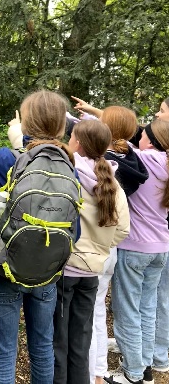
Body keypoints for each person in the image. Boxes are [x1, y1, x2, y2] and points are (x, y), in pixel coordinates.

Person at [0, 89, 74, 384]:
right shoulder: (68, 164)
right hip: (49, 270)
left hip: (5, 268)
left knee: (3, 353)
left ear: (25, 125)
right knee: (42, 347)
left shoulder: (5, 160)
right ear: (63, 126)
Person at [53, 120, 130, 384]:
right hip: (91, 273)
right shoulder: (112, 182)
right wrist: (100, 248)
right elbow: (123, 230)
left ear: (79, 144)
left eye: (72, 136)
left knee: (59, 341)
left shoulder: (68, 174)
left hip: (65, 271)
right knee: (81, 339)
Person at [105, 120, 169, 384]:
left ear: (150, 142)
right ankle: (145, 365)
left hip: (134, 248)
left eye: (142, 135)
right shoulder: (166, 163)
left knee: (128, 310)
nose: (138, 137)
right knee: (148, 307)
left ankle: (133, 374)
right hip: (161, 248)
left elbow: (113, 146)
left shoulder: (139, 160)